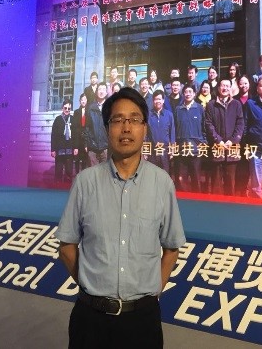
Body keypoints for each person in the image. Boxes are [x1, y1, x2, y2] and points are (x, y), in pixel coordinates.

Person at [56, 87, 186, 348]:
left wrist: (153, 292)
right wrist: (90, 284)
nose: (126, 128)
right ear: (107, 129)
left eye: (134, 119)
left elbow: (171, 248)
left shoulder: (162, 184)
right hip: (90, 320)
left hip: (142, 322)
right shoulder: (85, 182)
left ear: (144, 128)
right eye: (117, 120)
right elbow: (67, 245)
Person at [204, 79, 244, 195]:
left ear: (231, 88)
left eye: (227, 86)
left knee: (230, 182)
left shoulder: (236, 104)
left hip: (232, 148)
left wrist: (233, 140)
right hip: (217, 147)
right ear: (218, 88)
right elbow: (208, 124)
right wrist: (218, 140)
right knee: (216, 183)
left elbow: (240, 123)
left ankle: (230, 205)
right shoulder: (211, 105)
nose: (225, 88)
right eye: (223, 86)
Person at [174, 85, 205, 192]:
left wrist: (203, 142)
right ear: (183, 94)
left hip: (196, 150)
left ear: (194, 94)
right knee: (181, 180)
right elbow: (174, 128)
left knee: (196, 179)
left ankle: (196, 200)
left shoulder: (199, 108)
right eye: (186, 92)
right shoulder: (178, 109)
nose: (188, 94)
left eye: (190, 92)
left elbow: (204, 127)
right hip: (181, 149)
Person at [147, 89, 176, 174]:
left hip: (165, 152)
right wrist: (145, 151)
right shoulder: (148, 115)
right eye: (156, 99)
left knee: (165, 175)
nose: (158, 101)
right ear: (153, 101)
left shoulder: (169, 115)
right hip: (152, 152)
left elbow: (172, 133)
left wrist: (172, 150)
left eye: (159, 99)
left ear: (163, 100)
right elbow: (145, 135)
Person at [84, 83, 109, 165]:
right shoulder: (90, 108)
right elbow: (86, 127)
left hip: (105, 147)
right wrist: (86, 143)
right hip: (92, 146)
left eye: (104, 89)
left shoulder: (110, 107)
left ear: (106, 92)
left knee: (105, 171)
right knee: (94, 171)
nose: (101, 91)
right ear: (96, 92)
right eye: (99, 89)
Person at [51, 99, 74, 183]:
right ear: (62, 108)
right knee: (58, 170)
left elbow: (75, 134)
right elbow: (53, 135)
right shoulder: (57, 119)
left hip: (69, 148)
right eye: (65, 108)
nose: (67, 110)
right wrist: (53, 149)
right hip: (59, 148)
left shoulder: (73, 119)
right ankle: (57, 185)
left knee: (69, 171)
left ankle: (67, 186)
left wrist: (75, 147)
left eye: (69, 108)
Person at [71, 93, 89, 174]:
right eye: (82, 100)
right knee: (77, 159)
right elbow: (74, 127)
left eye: (84, 99)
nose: (83, 101)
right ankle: (77, 174)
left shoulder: (89, 111)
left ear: (87, 100)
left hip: (86, 138)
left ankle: (83, 175)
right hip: (78, 139)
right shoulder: (76, 112)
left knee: (85, 159)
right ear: (80, 101)